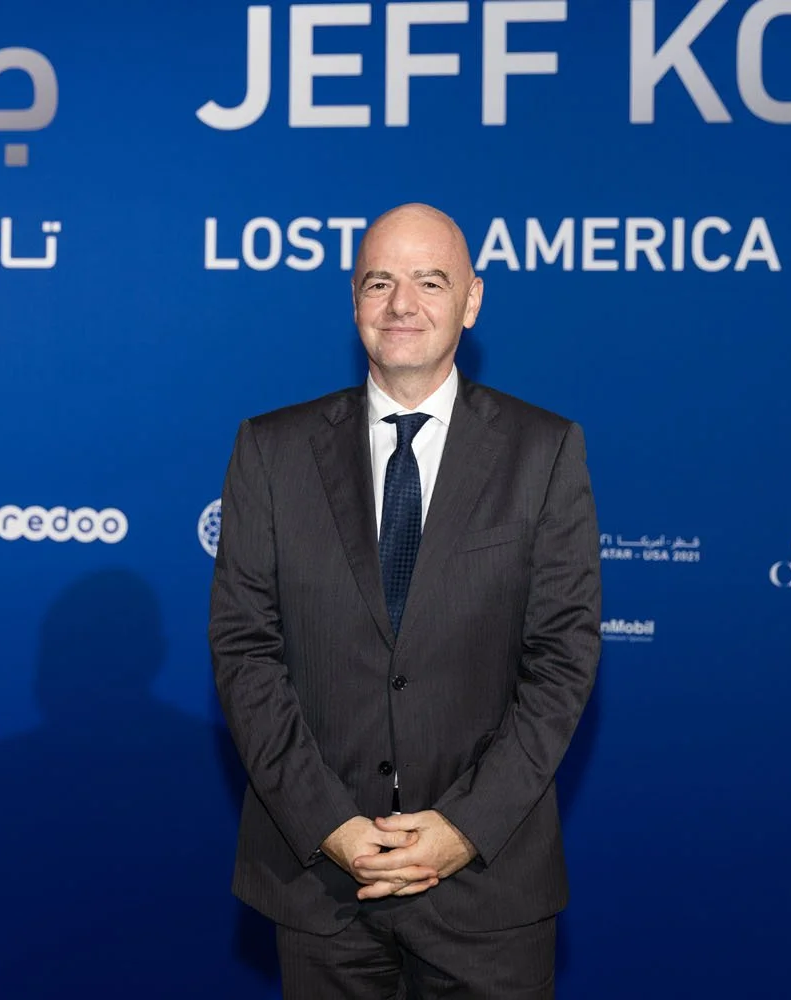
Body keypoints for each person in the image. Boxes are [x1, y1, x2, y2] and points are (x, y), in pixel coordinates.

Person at [209, 202, 601, 998]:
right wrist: (332, 828)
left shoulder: (546, 451)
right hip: (321, 887)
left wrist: (462, 829)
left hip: (488, 893)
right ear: (353, 297)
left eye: (430, 281)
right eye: (380, 282)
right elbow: (245, 649)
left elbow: (562, 659)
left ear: (472, 299)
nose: (402, 305)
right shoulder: (271, 450)